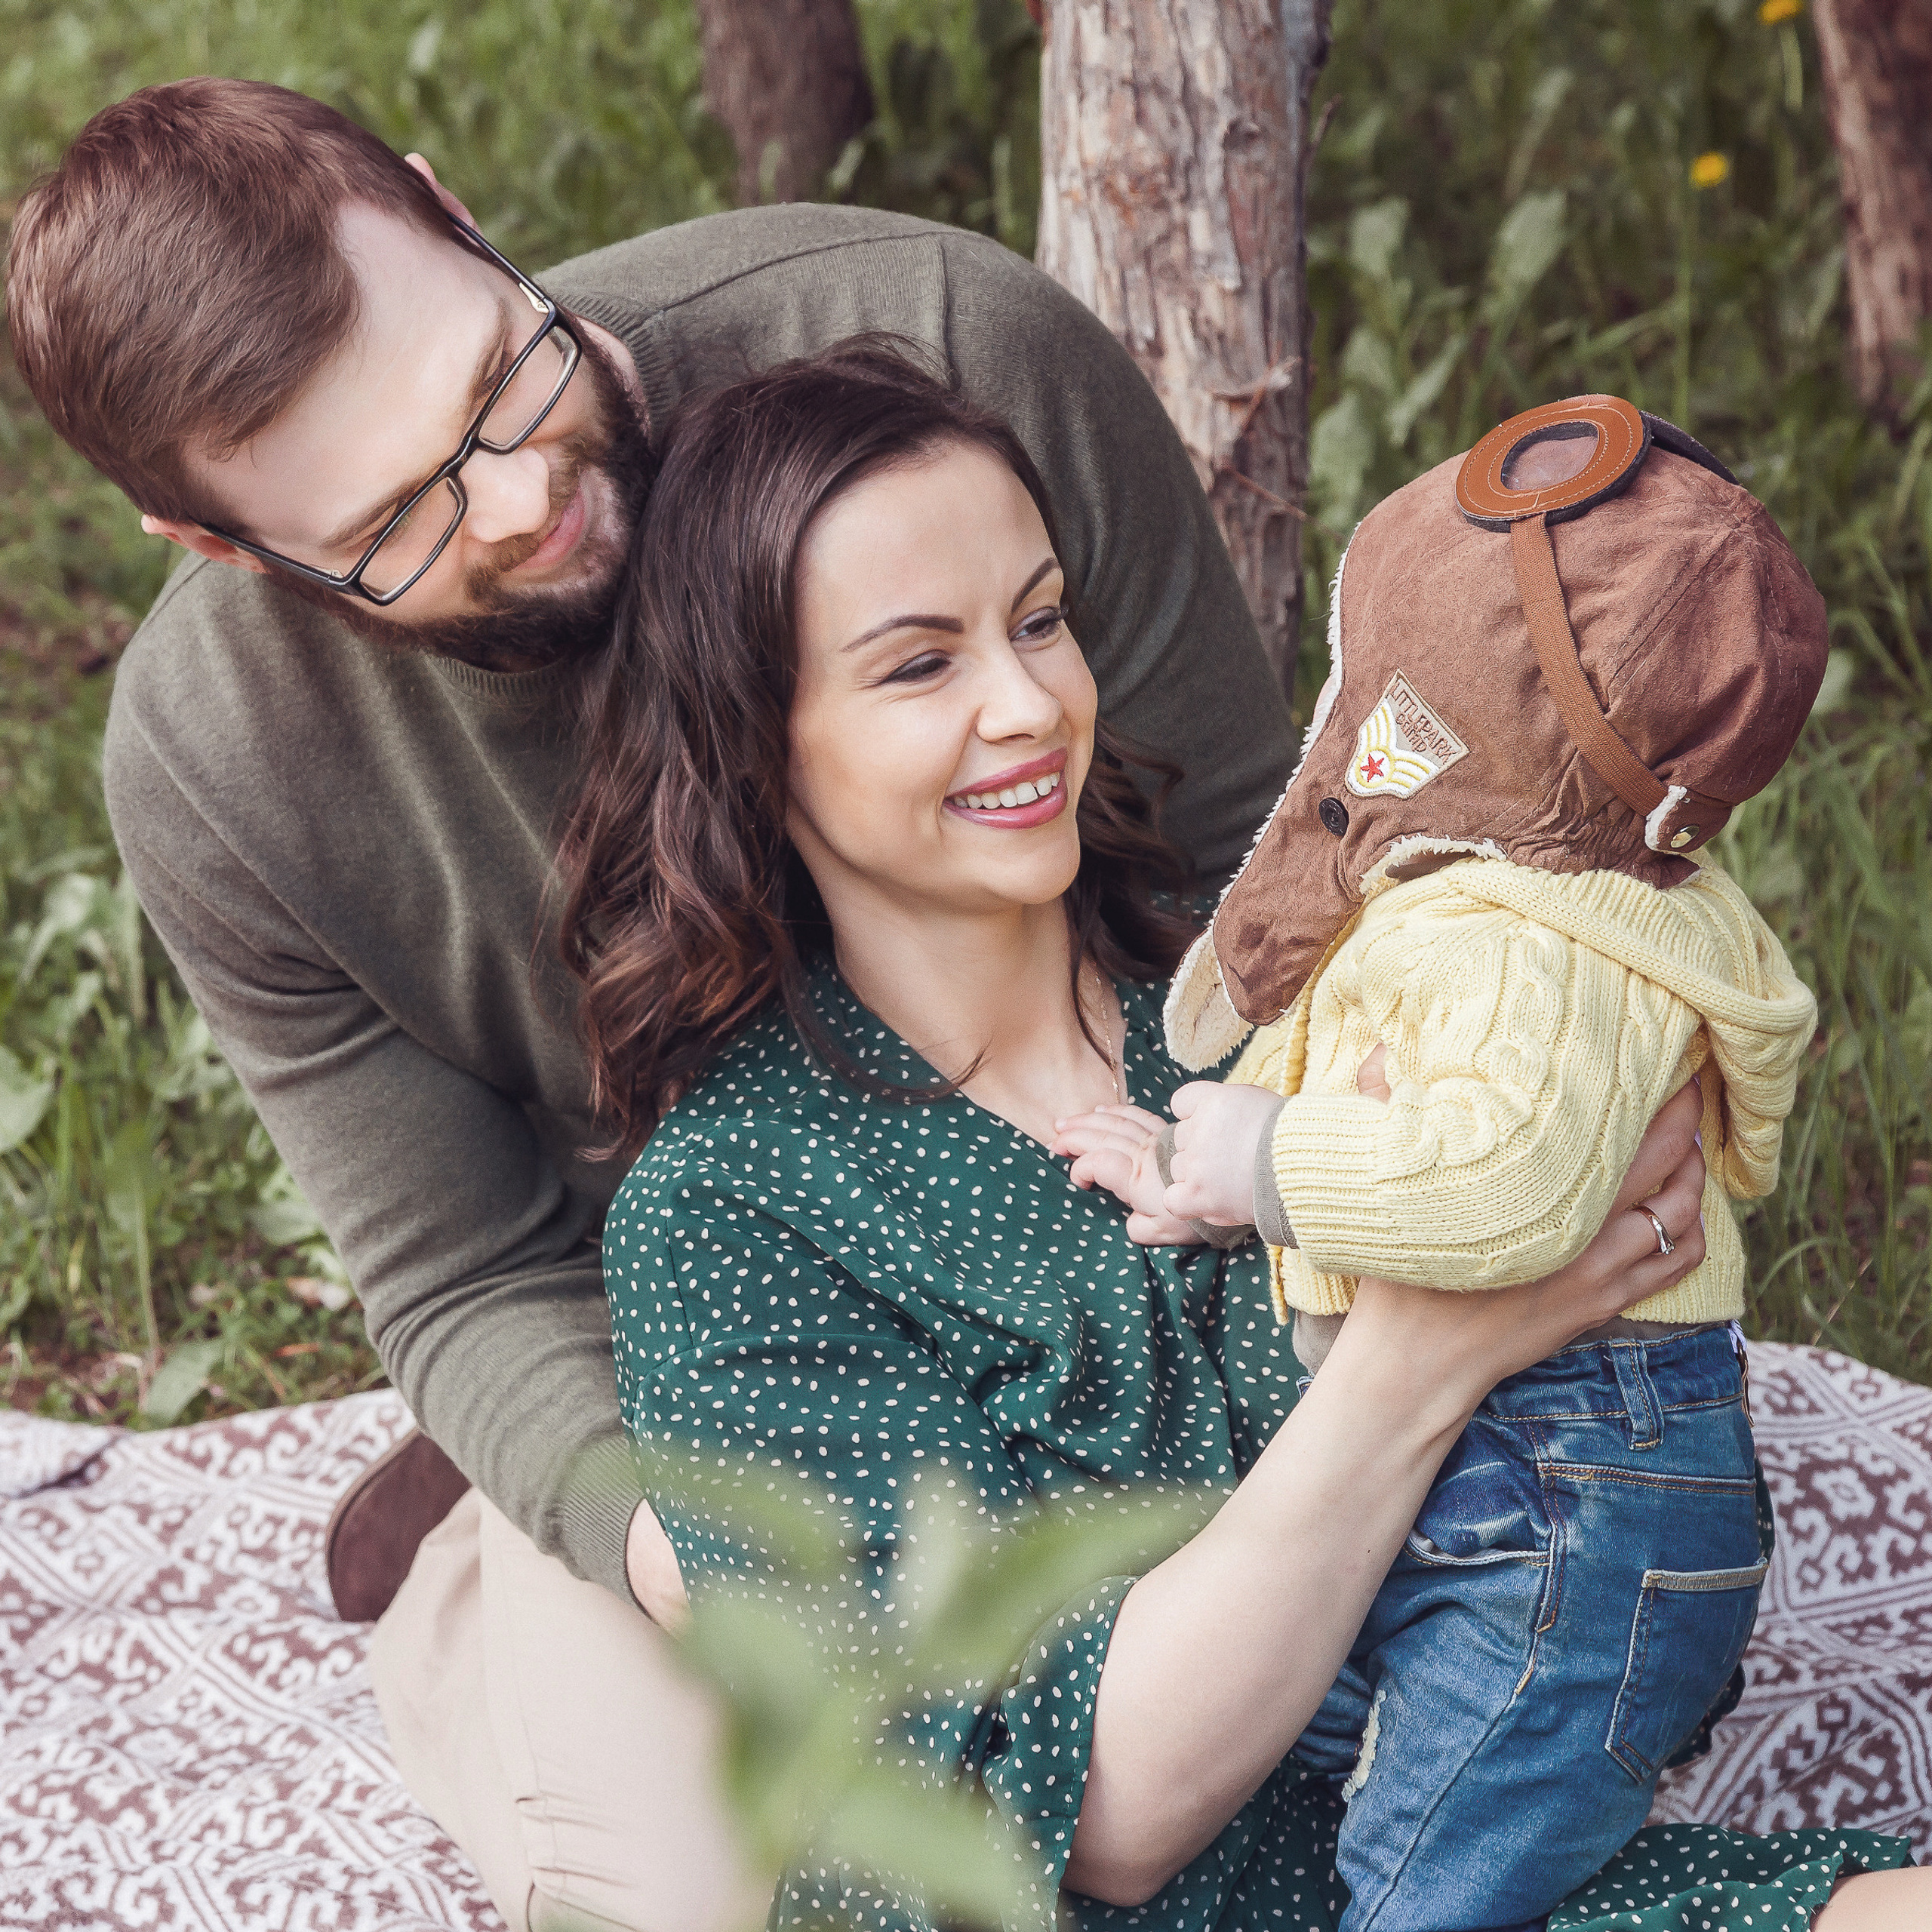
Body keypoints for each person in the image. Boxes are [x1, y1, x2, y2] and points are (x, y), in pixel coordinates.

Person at [5, 77, 1295, 1927]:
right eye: (394, 519)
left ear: (452, 210)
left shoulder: (938, 341)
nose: (525, 502)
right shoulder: (222, 767)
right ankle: (481, 1560)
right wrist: (678, 1542)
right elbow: (458, 1270)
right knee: (736, 1889)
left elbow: (1261, 887)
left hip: (1124, 1220)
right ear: (221, 549)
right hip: (712, 1365)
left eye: (498, 387)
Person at [568, 339, 1924, 1929]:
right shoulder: (736, 1213)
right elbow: (1108, 1819)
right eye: (917, 665)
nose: (1025, 704)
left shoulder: (1257, 994)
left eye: (1038, 619)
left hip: (1450, 1825)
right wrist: (1422, 1351)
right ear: (752, 733)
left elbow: (1615, 1327)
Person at [1056, 395, 1827, 1930]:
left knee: (1429, 1886)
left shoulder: (1537, 943)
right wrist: (1198, 1157)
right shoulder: (1469, 899)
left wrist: (1260, 1158)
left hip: (1566, 1495)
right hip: (1494, 1484)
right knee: (1326, 1805)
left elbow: (1499, 1186)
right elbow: (1369, 1072)